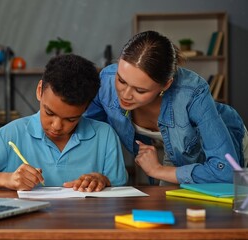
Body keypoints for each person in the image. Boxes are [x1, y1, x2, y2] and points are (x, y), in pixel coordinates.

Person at [84, 30, 248, 185]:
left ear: (166, 85)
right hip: (175, 153)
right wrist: (97, 174)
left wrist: (157, 171)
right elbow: (91, 135)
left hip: (214, 148)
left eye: (140, 90)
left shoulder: (192, 92)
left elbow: (226, 172)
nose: (125, 95)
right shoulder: (106, 80)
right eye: (121, 80)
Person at [0, 54, 128, 191]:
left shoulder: (105, 136)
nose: (56, 126)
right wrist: (6, 179)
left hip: (84, 222)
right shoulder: (11, 134)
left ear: (86, 107)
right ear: (39, 90)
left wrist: (103, 180)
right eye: (49, 113)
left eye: (70, 119)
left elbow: (120, 187)